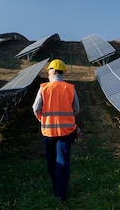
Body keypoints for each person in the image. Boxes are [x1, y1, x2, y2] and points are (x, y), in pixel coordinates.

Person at [32, 59, 80, 201]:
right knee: (63, 161)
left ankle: (55, 189)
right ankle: (62, 193)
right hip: (66, 132)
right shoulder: (70, 88)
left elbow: (35, 108)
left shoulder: (44, 88)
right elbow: (77, 109)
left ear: (52, 71)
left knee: (52, 161)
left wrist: (42, 118)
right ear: (62, 72)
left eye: (48, 72)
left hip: (49, 132)